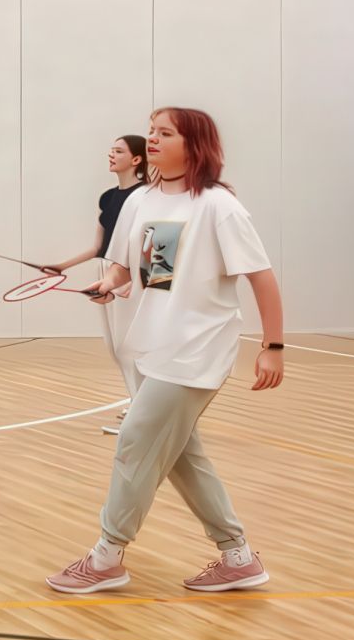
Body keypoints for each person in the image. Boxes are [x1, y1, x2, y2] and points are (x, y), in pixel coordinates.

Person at [45, 108, 284, 595]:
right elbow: (137, 267)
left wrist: (272, 347)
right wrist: (110, 283)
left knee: (135, 440)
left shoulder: (219, 207)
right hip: (150, 346)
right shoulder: (142, 200)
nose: (152, 139)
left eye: (165, 133)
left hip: (196, 349)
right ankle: (238, 556)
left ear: (194, 145)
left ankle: (107, 556)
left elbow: (262, 278)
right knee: (180, 455)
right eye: (151, 131)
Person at [42, 135, 149, 433]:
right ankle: (139, 405)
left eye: (118, 151)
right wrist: (61, 266)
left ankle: (143, 415)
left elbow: (145, 243)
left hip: (129, 271)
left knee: (130, 346)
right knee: (115, 347)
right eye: (111, 150)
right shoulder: (108, 197)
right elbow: (98, 247)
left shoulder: (146, 196)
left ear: (136, 159)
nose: (110, 155)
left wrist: (133, 277)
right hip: (107, 269)